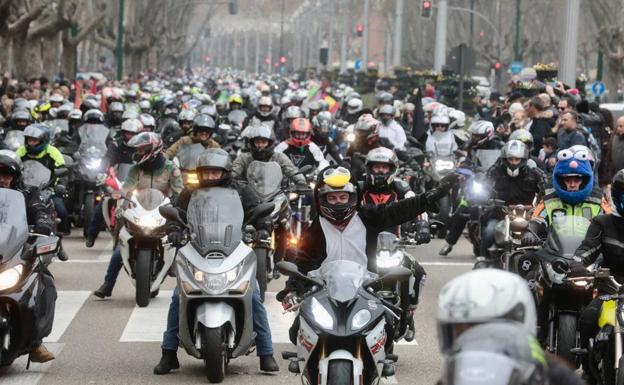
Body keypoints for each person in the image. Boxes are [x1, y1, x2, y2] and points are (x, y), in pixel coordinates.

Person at [279, 166, 456, 373]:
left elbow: (400, 210)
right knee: (296, 330)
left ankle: (378, 366)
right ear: (321, 199)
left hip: (366, 288)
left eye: (343, 197)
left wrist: (430, 196)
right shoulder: (316, 227)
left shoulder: (368, 216)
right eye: (332, 198)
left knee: (389, 328)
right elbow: (303, 261)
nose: (338, 202)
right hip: (325, 291)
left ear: (353, 197)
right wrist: (291, 289)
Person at [153, 148, 279, 375]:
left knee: (254, 296)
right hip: (197, 249)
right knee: (177, 297)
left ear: (226, 171)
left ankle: (266, 353)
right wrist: (173, 229)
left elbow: (259, 213)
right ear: (200, 173)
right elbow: (177, 214)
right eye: (207, 172)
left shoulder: (240, 190)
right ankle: (168, 352)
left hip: (233, 249)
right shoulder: (190, 192)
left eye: (215, 172)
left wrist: (262, 228)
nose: (211, 176)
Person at [436, 269, 585, 385]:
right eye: (458, 331)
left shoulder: (553, 375)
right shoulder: (452, 377)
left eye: (480, 330)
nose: (470, 339)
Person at [94, 132, 183, 298]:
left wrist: (177, 204)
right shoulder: (136, 169)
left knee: (180, 244)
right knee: (118, 250)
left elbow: (179, 191)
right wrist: (120, 197)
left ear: (152, 149)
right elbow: (127, 188)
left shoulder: (171, 168)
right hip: (140, 212)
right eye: (138, 150)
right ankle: (108, 284)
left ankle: (184, 287)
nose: (138, 154)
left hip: (163, 212)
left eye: (141, 150)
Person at [0, 154, 56, 363]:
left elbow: (39, 210)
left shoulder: (27, 193)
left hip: (16, 251)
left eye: (7, 175)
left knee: (43, 282)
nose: (3, 179)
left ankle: (35, 343)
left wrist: (43, 225)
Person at [576, 170, 624, 382]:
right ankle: (589, 369)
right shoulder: (602, 223)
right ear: (617, 194)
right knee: (588, 318)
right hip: (611, 288)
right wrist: (576, 264)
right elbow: (587, 249)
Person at [479, 140, 545, 258]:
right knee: (489, 231)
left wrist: (543, 201)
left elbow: (546, 188)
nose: (513, 163)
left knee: (541, 237)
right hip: (500, 213)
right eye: (510, 159)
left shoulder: (534, 173)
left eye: (517, 159)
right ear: (505, 159)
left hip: (528, 214)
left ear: (523, 160)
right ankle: (482, 259)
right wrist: (486, 198)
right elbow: (485, 186)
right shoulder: (495, 171)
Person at [84, 118, 141, 247]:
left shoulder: (141, 147)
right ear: (123, 133)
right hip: (118, 182)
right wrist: (103, 173)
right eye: (127, 133)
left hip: (136, 184)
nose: (129, 136)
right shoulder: (116, 145)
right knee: (102, 205)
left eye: (132, 133)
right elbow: (107, 160)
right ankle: (91, 235)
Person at [16, 123, 71, 239]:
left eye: (34, 140)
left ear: (43, 140)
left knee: (61, 209)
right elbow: (14, 165)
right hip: (24, 188)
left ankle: (60, 236)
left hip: (47, 188)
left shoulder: (53, 152)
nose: (31, 143)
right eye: (29, 140)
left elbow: (62, 170)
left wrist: (60, 184)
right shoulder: (21, 151)